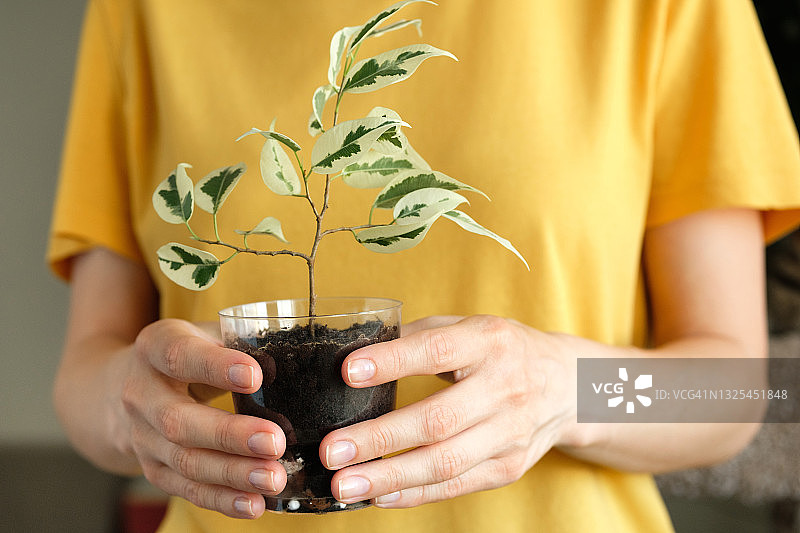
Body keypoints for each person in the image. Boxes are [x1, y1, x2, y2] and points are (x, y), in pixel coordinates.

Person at [49, 0, 800, 531]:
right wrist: (127, 403)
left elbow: (731, 390)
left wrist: (565, 389)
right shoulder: (143, 9)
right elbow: (87, 370)